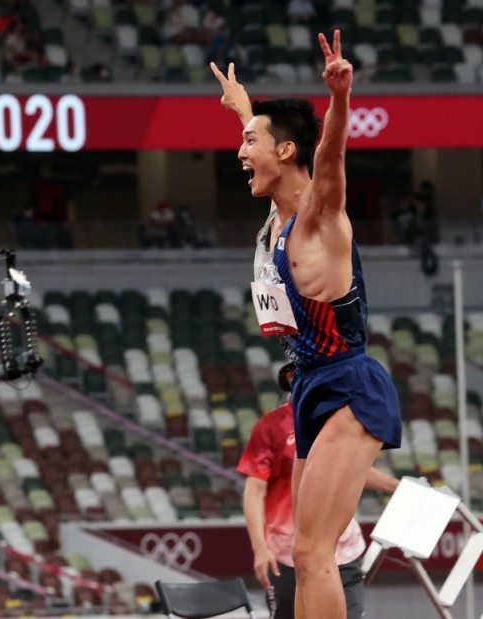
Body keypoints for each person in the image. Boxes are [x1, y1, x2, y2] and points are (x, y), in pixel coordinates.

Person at [211, 30, 402, 619]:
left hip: (347, 386)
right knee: (301, 551)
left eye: (249, 142)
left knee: (317, 551)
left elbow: (331, 156)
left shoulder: (319, 217)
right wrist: (244, 108)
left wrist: (340, 99)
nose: (240, 151)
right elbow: (275, 138)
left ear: (288, 153)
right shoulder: (279, 213)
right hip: (309, 386)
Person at [238, 363, 399, 619]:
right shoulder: (270, 427)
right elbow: (253, 492)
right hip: (292, 555)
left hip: (345, 551)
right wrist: (260, 548)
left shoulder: (337, 418)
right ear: (292, 378)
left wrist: (399, 487)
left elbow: (352, 469)